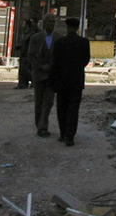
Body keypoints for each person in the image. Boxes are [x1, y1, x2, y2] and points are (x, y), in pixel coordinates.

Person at [50, 17, 91, 147]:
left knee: (62, 107)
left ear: (67, 28)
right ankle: (70, 136)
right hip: (76, 80)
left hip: (62, 80)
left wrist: (53, 80)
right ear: (78, 28)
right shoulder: (84, 42)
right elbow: (86, 60)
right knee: (73, 108)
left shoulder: (59, 42)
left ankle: (63, 134)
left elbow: (54, 62)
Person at [26, 14, 56, 137]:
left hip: (51, 75)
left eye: (53, 21)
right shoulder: (35, 38)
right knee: (39, 101)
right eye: (49, 21)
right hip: (39, 74)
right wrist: (40, 66)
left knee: (48, 101)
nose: (51, 24)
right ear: (43, 23)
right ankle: (39, 125)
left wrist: (53, 67)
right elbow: (31, 55)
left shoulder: (58, 38)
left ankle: (43, 126)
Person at [14, 18, 35, 89]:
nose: (22, 25)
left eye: (24, 24)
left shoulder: (31, 34)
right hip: (23, 54)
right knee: (22, 70)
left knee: (27, 70)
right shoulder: (24, 34)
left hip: (27, 54)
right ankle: (22, 84)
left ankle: (33, 83)